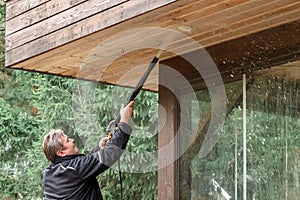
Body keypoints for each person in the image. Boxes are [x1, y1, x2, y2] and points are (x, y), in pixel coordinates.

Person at [42, 101, 135, 200]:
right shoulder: (74, 169)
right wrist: (125, 121)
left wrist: (98, 148)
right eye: (68, 141)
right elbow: (110, 153)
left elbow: (83, 166)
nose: (72, 140)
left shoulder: (49, 174)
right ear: (61, 153)